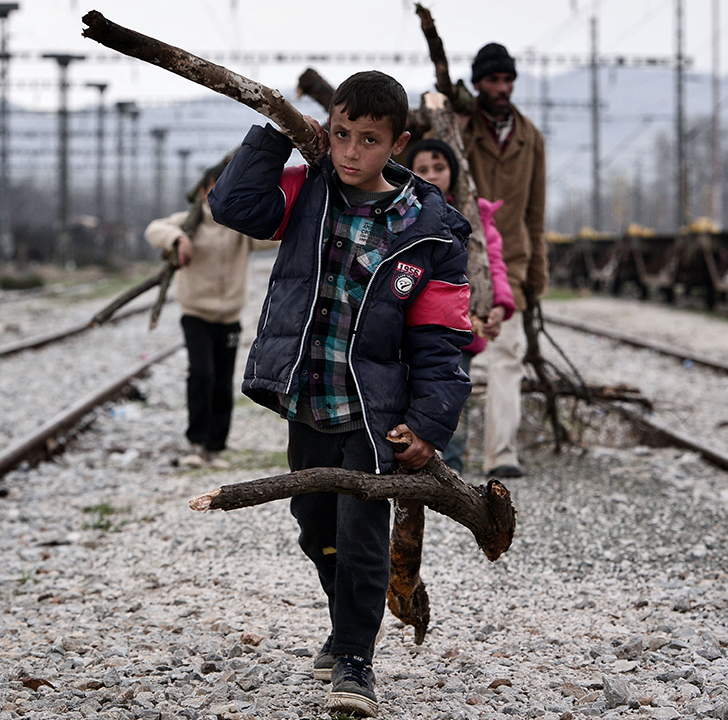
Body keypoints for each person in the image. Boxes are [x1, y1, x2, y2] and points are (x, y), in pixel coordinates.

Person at [208, 70, 472, 718]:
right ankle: (344, 620)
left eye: (369, 140)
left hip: (373, 412)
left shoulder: (431, 231)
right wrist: (277, 134)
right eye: (341, 134)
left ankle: (356, 658)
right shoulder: (309, 192)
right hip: (308, 398)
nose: (351, 151)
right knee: (314, 525)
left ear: (398, 143)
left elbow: (442, 340)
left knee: (361, 534)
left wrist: (429, 424)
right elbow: (233, 206)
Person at [143, 159, 274, 469]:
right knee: (201, 374)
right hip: (196, 314)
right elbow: (154, 229)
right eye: (216, 188)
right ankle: (196, 443)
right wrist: (178, 239)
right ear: (203, 192)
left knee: (223, 382)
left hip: (229, 317)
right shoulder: (190, 223)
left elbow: (273, 234)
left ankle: (216, 447)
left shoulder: (240, 225)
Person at [461, 42, 547, 479]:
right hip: (459, 257)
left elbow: (536, 212)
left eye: (508, 79)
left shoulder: (531, 138)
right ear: (478, 84)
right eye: (493, 80)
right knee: (449, 353)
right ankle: (444, 451)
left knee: (508, 354)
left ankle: (501, 454)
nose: (502, 88)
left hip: (511, 260)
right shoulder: (461, 131)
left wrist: (537, 272)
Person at [406, 139, 516, 475]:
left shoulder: (475, 217)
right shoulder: (402, 209)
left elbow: (493, 263)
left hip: (459, 326)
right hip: (409, 325)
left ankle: (451, 468)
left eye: (439, 168)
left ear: (454, 173)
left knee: (451, 399)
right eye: (422, 169)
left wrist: (499, 304)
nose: (432, 175)